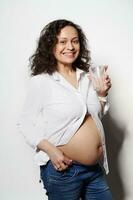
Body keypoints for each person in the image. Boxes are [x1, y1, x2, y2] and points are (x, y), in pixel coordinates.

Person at [17, 19, 113, 199]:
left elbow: (94, 116)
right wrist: (52, 151)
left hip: (94, 169)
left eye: (75, 41)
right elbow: (25, 123)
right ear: (50, 45)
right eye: (63, 41)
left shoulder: (86, 77)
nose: (70, 46)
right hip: (64, 171)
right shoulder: (42, 81)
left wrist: (101, 94)